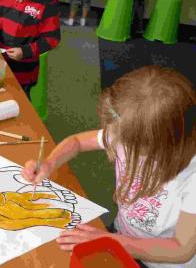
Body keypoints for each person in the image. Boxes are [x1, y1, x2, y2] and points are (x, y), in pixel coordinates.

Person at [22, 65, 196, 268]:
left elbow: (181, 249)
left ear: (161, 143)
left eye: (128, 143)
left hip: (161, 262)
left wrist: (111, 241)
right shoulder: (125, 133)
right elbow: (77, 141)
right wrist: (50, 162)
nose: (115, 141)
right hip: (121, 232)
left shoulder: (191, 178)